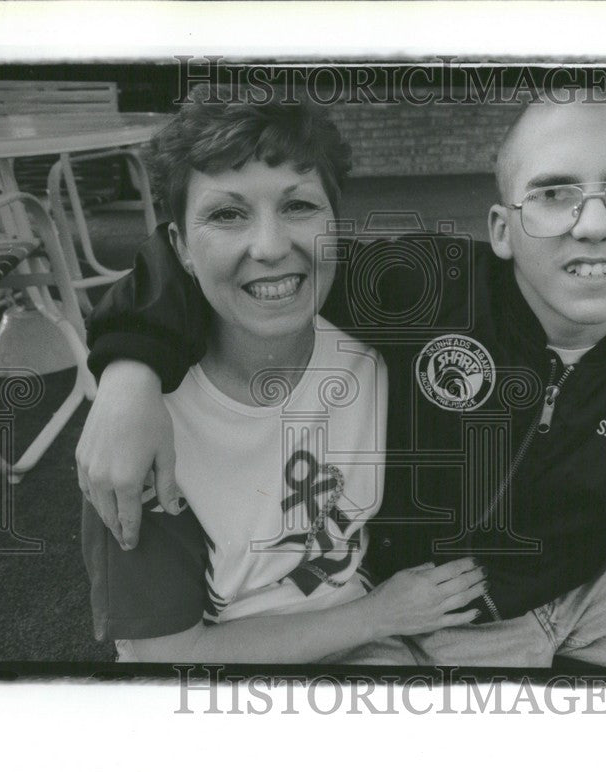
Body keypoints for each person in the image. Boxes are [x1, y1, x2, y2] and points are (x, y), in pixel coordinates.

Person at [79, 85, 606, 671]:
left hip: (580, 589)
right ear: (501, 228)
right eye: (552, 194)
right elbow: (227, 260)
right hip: (404, 601)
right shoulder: (421, 287)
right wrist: (128, 373)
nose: (592, 223)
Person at [80, 88, 488, 663]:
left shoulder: (380, 351)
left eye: (299, 206)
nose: (271, 247)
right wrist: (380, 614)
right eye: (227, 214)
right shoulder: (144, 429)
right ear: (181, 249)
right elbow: (170, 654)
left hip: (368, 633)